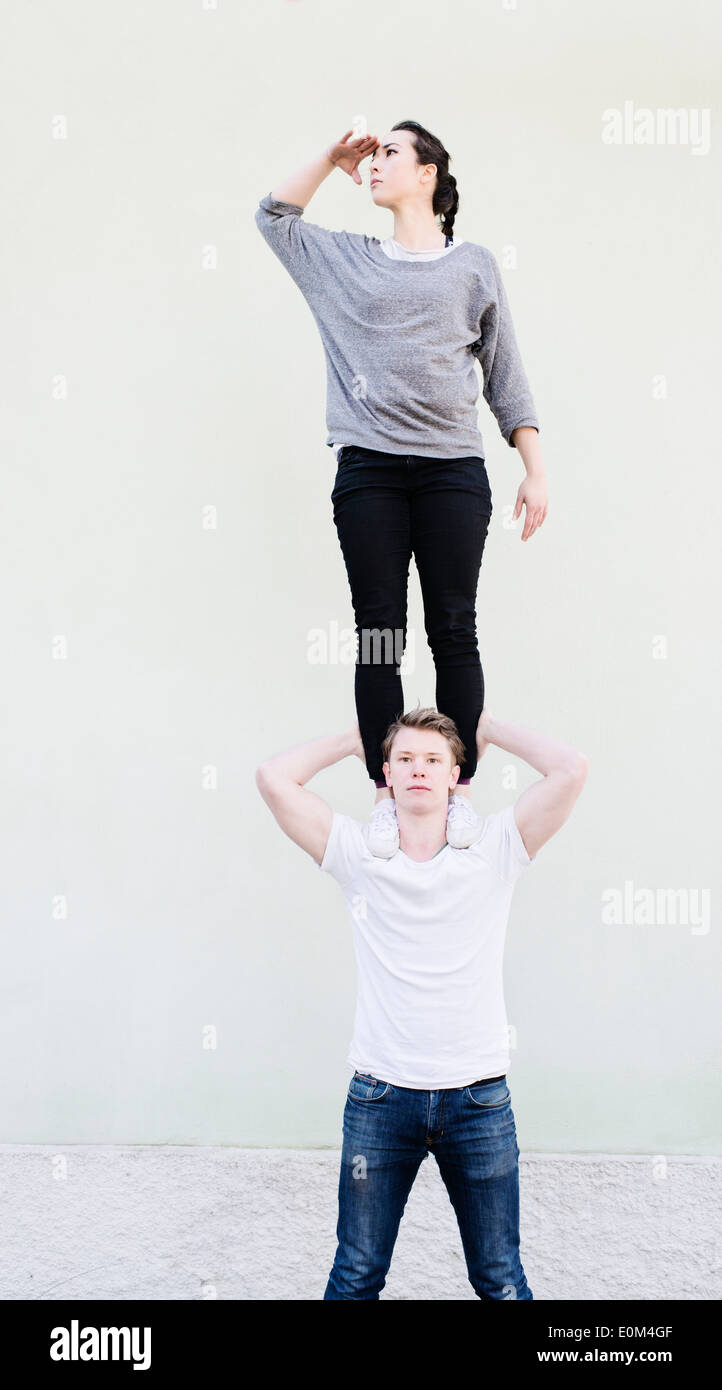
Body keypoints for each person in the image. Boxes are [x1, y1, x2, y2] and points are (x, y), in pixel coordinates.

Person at [254, 123, 548, 858]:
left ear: (428, 175)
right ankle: (388, 796)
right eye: (373, 152)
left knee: (454, 627)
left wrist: (534, 468)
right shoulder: (344, 260)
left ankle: (461, 793)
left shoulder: (473, 266)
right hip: (371, 472)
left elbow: (505, 375)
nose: (376, 163)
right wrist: (328, 157)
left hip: (453, 472)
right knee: (379, 631)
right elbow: (272, 217)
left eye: (391, 153)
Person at [255, 705, 588, 1300]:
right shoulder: (359, 854)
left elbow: (571, 769)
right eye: (405, 759)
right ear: (386, 773)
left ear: (456, 775)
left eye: (434, 760)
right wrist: (352, 741)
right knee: (355, 1275)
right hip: (381, 1099)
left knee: (500, 1279)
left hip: (479, 1099)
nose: (418, 770)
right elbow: (273, 778)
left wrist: (487, 728)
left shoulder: (496, 848)